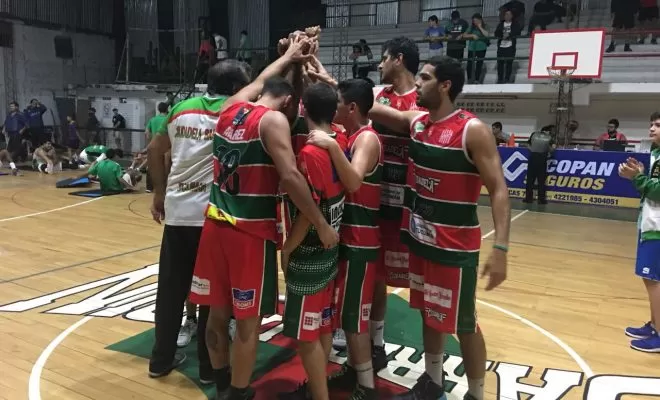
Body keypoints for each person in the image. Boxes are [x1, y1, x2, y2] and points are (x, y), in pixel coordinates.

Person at [190, 36, 339, 400]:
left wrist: (289, 56)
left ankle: (223, 381)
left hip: (213, 225)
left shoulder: (229, 107)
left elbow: (259, 82)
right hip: (248, 234)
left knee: (215, 316)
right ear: (289, 102)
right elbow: (290, 176)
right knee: (247, 325)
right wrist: (320, 223)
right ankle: (240, 393)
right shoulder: (272, 121)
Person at [368, 55, 510, 400]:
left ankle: (476, 395)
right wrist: (322, 77)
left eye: (425, 78)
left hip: (454, 249)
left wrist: (501, 249)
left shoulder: (471, 130)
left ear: (445, 86)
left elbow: (499, 189)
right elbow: (370, 107)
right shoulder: (418, 123)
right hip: (420, 241)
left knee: (463, 325)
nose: (417, 83)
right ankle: (432, 383)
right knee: (427, 314)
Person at [147, 60, 252, 384]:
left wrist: (159, 193)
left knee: (170, 290)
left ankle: (160, 360)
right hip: (212, 216)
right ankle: (210, 367)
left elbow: (154, 149)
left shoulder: (180, 108)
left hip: (178, 212)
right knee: (211, 295)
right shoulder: (234, 110)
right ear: (237, 88)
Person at [307, 79, 382, 399]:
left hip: (361, 242)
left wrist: (332, 145)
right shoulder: (350, 134)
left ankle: (367, 387)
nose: (333, 107)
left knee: (354, 319)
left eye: (338, 102)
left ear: (351, 108)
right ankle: (353, 373)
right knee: (345, 314)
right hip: (348, 238)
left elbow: (352, 181)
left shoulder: (366, 138)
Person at [278, 82, 347, 400]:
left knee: (307, 335)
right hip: (331, 247)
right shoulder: (340, 137)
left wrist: (288, 249)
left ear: (302, 108)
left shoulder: (310, 152)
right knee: (320, 326)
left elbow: (308, 210)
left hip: (310, 249)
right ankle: (317, 389)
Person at [365, 36, 422, 371]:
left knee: (422, 280)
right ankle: (375, 343)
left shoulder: (423, 98)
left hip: (411, 204)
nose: (380, 65)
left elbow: (407, 121)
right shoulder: (376, 94)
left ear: (398, 59)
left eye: (384, 58)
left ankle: (432, 364)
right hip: (376, 199)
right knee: (375, 277)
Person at [620, 111, 660, 353]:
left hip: (657, 228)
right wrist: (638, 175)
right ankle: (654, 324)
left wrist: (638, 177)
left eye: (657, 125)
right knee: (650, 279)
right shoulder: (656, 154)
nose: (651, 129)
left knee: (654, 280)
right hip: (649, 223)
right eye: (651, 125)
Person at [524, 128, 555, 204]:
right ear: (546, 131)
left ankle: (528, 198)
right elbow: (553, 148)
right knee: (541, 180)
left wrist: (532, 150)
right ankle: (541, 200)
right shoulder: (549, 137)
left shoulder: (534, 134)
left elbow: (527, 144)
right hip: (542, 158)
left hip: (533, 157)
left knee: (530, 179)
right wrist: (549, 152)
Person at [145, 102, 169, 192]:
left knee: (152, 165)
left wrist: (150, 141)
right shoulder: (168, 119)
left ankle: (149, 187)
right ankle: (165, 187)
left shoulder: (153, 119)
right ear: (167, 109)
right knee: (166, 166)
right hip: (166, 146)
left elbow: (147, 132)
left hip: (155, 146)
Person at [494, 10, 522, 84]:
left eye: (509, 14)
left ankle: (507, 79)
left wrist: (509, 35)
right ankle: (500, 79)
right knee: (500, 63)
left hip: (510, 46)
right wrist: (502, 35)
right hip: (501, 46)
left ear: (512, 16)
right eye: (506, 14)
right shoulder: (501, 24)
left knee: (509, 63)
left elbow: (518, 32)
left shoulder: (515, 24)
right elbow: (496, 33)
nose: (507, 16)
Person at [463, 13, 490, 84]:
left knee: (479, 64)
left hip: (482, 48)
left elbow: (487, 35)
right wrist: (472, 35)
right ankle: (469, 78)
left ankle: (477, 79)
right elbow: (464, 35)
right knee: (469, 64)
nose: (475, 22)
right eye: (474, 21)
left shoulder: (485, 26)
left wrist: (480, 27)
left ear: (480, 20)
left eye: (476, 21)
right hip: (472, 48)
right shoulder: (471, 27)